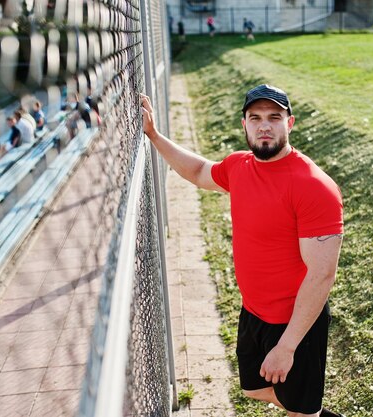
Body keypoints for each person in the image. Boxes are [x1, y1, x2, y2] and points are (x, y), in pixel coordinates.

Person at [141, 85, 345, 417]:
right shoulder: (239, 167)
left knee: (299, 411)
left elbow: (322, 275)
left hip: (293, 322)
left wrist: (287, 346)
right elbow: (197, 171)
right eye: (256, 118)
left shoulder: (314, 186)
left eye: (274, 118)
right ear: (244, 125)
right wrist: (154, 136)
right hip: (253, 312)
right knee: (253, 388)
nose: (265, 126)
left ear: (289, 124)